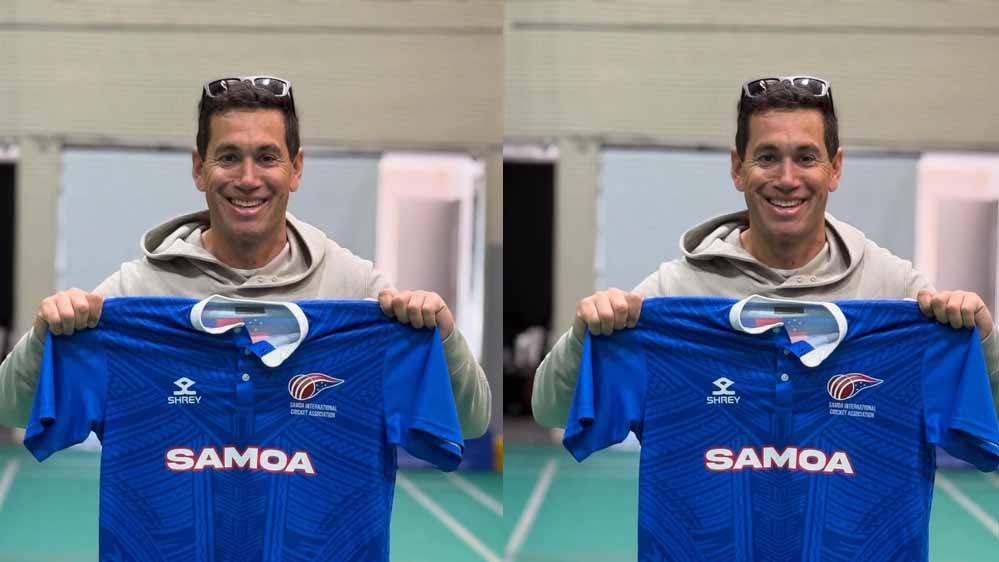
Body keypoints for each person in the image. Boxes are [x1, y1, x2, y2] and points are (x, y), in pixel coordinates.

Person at [0, 75, 490, 438]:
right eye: (229, 157)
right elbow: (13, 410)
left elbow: (469, 422)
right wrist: (45, 337)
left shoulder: (357, 291)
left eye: (268, 157)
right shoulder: (135, 292)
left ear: (296, 168)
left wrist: (443, 337)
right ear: (199, 168)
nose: (249, 179)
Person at [532, 75, 998, 429]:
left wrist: (982, 342)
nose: (787, 179)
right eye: (768, 157)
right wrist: (584, 339)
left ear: (835, 168)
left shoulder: (895, 289)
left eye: (806, 157)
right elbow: (550, 411)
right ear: (738, 168)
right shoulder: (675, 291)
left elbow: (985, 413)